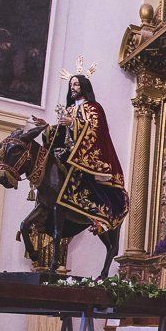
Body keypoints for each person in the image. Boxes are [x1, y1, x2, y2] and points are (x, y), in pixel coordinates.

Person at [30, 75, 128, 234]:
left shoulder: (94, 107)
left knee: (86, 178)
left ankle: (101, 214)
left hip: (84, 153)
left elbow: (96, 129)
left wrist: (74, 123)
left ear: (83, 86)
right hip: (67, 151)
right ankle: (42, 215)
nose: (72, 87)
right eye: (71, 85)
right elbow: (60, 133)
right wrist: (47, 127)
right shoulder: (69, 109)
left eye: (76, 84)